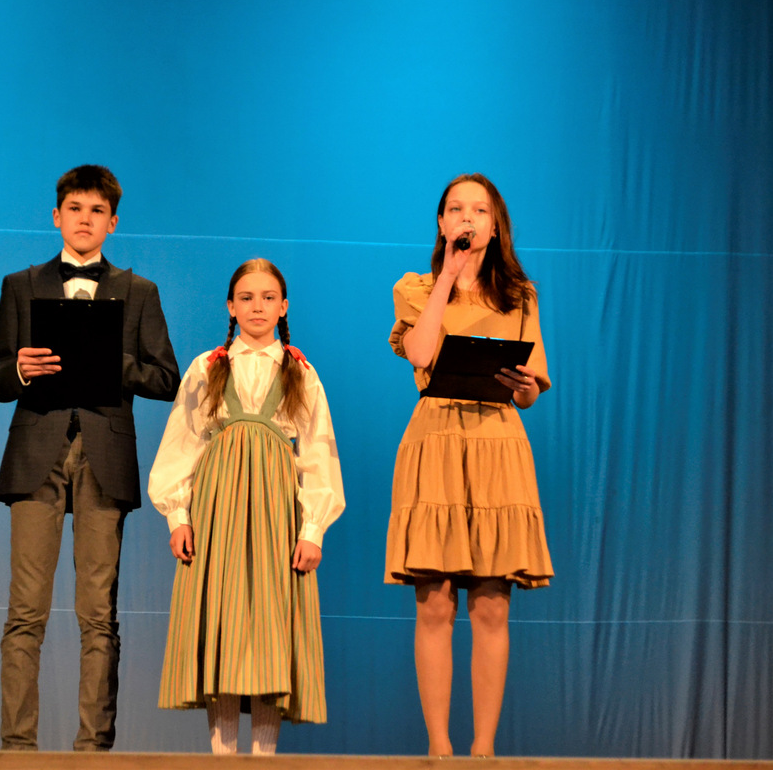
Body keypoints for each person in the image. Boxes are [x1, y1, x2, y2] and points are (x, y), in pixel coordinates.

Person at [0, 164, 180, 751]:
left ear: (112, 222)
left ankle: (93, 750)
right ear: (57, 216)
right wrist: (22, 368)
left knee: (98, 614)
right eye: (75, 208)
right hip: (37, 453)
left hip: (104, 455)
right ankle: (17, 750)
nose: (85, 219)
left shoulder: (138, 291)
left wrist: (111, 360)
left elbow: (166, 379)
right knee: (26, 612)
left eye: (97, 211)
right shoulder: (21, 285)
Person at [384, 173, 553, 758]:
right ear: (441, 223)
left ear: (495, 224)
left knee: (490, 603)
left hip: (496, 442)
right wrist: (448, 277)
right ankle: (439, 747)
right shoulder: (415, 287)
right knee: (433, 601)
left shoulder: (520, 295)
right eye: (456, 209)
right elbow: (420, 352)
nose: (467, 218)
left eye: (479, 210)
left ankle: (483, 750)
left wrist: (524, 385)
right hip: (435, 439)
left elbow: (530, 393)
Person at [148, 258, 345, 755]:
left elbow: (318, 452)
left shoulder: (300, 372)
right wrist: (178, 516)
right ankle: (223, 759)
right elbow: (181, 444)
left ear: (284, 307)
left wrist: (312, 529)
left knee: (269, 627)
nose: (258, 306)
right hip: (219, 509)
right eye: (247, 298)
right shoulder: (208, 367)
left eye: (268, 297)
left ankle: (262, 760)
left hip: (276, 510)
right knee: (223, 622)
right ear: (230, 308)